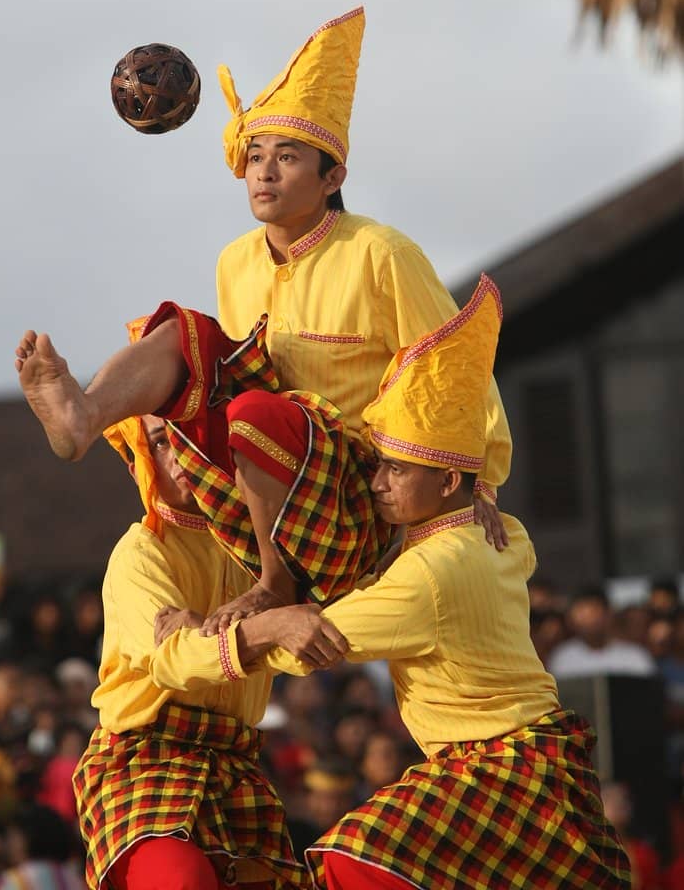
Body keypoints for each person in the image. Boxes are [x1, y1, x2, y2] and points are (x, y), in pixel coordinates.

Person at [17, 10, 512, 622]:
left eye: (287, 157)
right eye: (255, 157)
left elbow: (455, 363)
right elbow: (236, 377)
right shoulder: (235, 261)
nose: (265, 172)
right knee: (187, 333)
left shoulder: (381, 253)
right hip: (266, 481)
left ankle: (276, 585)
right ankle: (84, 414)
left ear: (334, 177)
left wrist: (476, 482)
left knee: (254, 409)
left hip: (355, 498)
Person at [156, 275, 631, 889]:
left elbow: (312, 641)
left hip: (499, 767)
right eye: (379, 464)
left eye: (398, 470)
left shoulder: (430, 573)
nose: (377, 483)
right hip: (522, 762)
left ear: (448, 483)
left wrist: (218, 627)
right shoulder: (500, 533)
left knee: (351, 860)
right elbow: (499, 525)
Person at [71, 411, 306, 890]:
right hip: (143, 757)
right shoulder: (141, 551)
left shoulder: (262, 547)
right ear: (140, 463)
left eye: (188, 437)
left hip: (235, 762)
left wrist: (478, 492)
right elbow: (173, 661)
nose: (178, 454)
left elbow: (307, 640)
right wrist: (271, 628)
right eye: (159, 442)